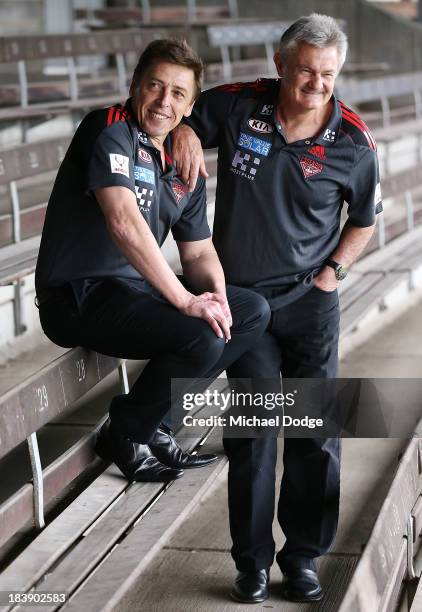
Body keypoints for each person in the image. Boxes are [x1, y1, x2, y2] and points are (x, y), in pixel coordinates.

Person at [171, 14, 382, 603]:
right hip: (246, 308)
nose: (318, 84)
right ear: (280, 64)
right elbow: (176, 115)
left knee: (315, 434)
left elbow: (363, 222)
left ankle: (304, 558)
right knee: (255, 436)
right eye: (307, 71)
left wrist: (331, 275)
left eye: (329, 74)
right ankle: (252, 562)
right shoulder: (239, 107)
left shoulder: (354, 143)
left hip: (310, 304)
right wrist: (186, 129)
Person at [35, 39, 270, 484]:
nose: (164, 101)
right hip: (77, 294)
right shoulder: (107, 129)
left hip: (131, 291)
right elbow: (122, 220)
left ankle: (153, 425)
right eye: (155, 87)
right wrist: (185, 300)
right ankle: (125, 432)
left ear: (191, 104)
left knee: (248, 312)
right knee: (200, 337)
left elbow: (198, 251)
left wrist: (216, 298)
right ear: (135, 85)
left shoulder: (183, 164)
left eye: (178, 93)